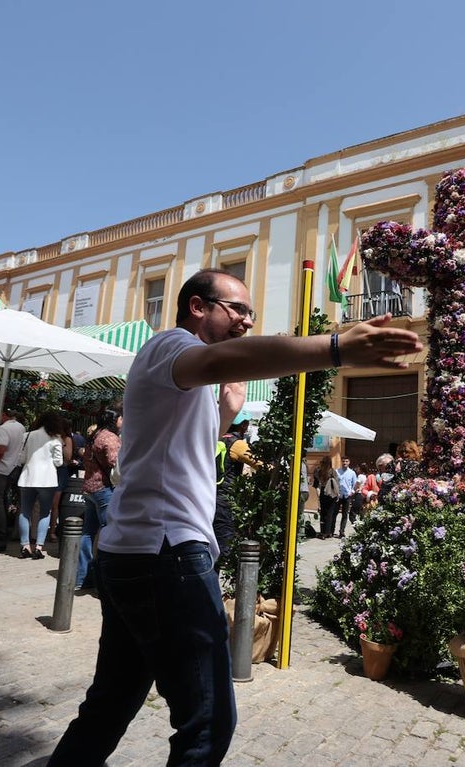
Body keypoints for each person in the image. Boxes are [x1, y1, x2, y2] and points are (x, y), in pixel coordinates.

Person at [47, 268, 420, 766]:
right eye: (238, 309)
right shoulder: (169, 346)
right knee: (206, 722)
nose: (246, 320)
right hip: (167, 555)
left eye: (251, 313)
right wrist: (334, 349)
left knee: (110, 704)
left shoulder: (191, 379)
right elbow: (228, 356)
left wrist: (227, 410)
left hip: (137, 553)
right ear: (198, 307)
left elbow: (181, 453)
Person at [78, 405, 121, 591]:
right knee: (108, 534)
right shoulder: (110, 438)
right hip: (104, 490)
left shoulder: (94, 435)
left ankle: (82, 578)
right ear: (115, 419)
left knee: (87, 533)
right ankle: (103, 579)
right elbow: (116, 462)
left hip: (89, 488)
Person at [17, 411, 65, 560]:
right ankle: (39, 547)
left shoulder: (28, 435)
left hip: (27, 477)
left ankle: (25, 545)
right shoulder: (55, 439)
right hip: (47, 480)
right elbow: (59, 462)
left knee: (25, 512)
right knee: (45, 512)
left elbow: (22, 458)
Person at [214, 414, 258, 559]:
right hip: (225, 499)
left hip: (209, 496)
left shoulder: (217, 439)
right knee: (224, 544)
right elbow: (261, 464)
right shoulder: (237, 444)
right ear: (243, 425)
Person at [0, 408, 26, 540]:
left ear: (3, 415)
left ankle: (1, 531)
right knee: (8, 499)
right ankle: (11, 529)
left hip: (2, 468)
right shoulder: (21, 427)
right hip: (16, 467)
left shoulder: (3, 429)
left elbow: (1, 450)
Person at [315, 455, 340, 540]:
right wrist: (337, 494)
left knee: (323, 513)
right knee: (330, 513)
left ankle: (322, 531)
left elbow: (317, 483)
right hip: (331, 493)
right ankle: (328, 532)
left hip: (323, 492)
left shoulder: (319, 471)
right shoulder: (332, 471)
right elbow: (337, 483)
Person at [334, 456, 358, 538]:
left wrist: (352, 492)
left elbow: (355, 485)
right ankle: (331, 530)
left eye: (346, 461)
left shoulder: (352, 473)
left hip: (347, 496)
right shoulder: (337, 471)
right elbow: (335, 483)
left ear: (349, 462)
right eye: (343, 461)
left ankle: (342, 531)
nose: (345, 463)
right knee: (335, 513)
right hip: (338, 495)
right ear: (341, 462)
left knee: (344, 514)